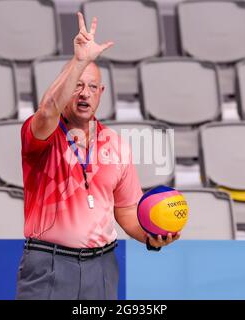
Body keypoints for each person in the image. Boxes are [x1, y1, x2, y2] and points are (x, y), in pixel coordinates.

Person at [16, 12, 180, 300]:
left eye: (92, 87)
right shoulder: (42, 134)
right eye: (77, 84)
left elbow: (127, 211)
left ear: (101, 93)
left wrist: (152, 239)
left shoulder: (116, 144)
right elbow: (48, 111)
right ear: (66, 87)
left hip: (102, 266)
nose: (84, 93)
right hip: (49, 263)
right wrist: (78, 62)